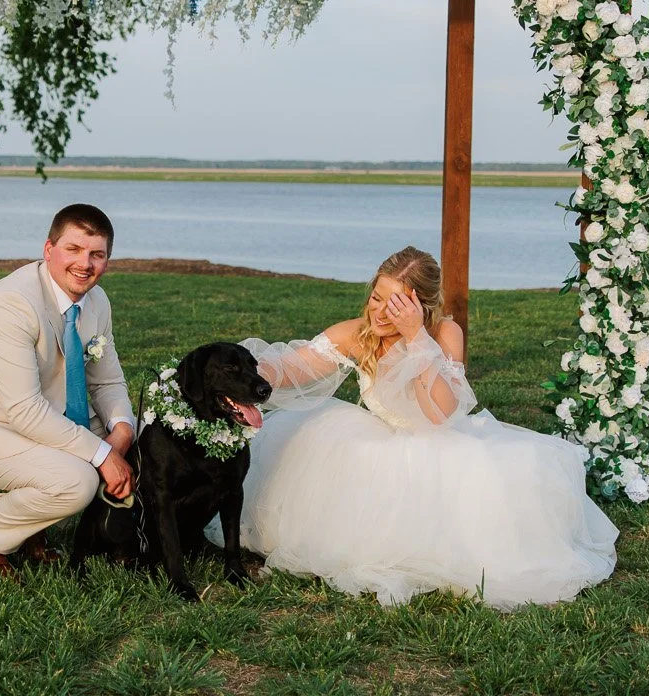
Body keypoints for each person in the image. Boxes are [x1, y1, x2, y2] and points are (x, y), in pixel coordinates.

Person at [239, 246, 617, 610]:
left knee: (500, 491)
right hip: (374, 438)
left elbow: (439, 413)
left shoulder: (444, 335)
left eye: (398, 304)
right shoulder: (356, 333)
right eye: (376, 297)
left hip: (442, 441)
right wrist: (236, 373)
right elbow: (289, 368)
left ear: (422, 306)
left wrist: (416, 337)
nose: (382, 312)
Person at [0, 204, 136, 577]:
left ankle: (108, 538)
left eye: (97, 254)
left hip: (43, 416)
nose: (85, 264)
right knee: (77, 481)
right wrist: (102, 454)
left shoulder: (96, 301)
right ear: (49, 249)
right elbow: (25, 411)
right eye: (74, 250)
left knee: (143, 439)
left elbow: (107, 380)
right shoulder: (12, 304)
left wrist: (123, 430)